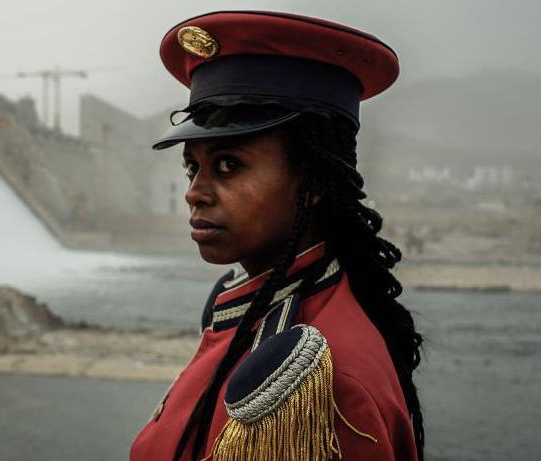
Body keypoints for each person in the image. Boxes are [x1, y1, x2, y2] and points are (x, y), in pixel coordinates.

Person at [129, 11, 423, 461]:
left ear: (315, 180)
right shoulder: (260, 309)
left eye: (229, 164)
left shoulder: (320, 384)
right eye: (193, 166)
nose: (194, 193)